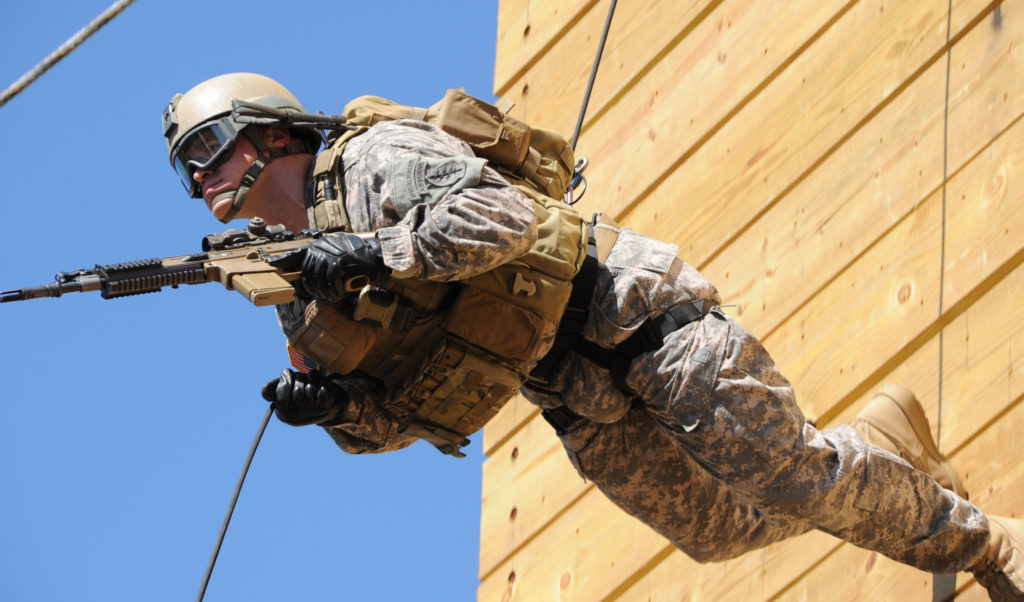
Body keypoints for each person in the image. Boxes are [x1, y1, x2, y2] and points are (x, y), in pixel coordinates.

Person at [162, 73, 1024, 599]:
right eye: (185, 167)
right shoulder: (297, 291)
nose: (201, 176)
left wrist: (373, 252)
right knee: (721, 533)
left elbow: (499, 217)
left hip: (638, 319)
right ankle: (881, 450)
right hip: (574, 399)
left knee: (792, 478)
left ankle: (988, 542)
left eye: (209, 147)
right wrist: (339, 412)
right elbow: (404, 415)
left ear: (273, 130)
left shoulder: (373, 159)